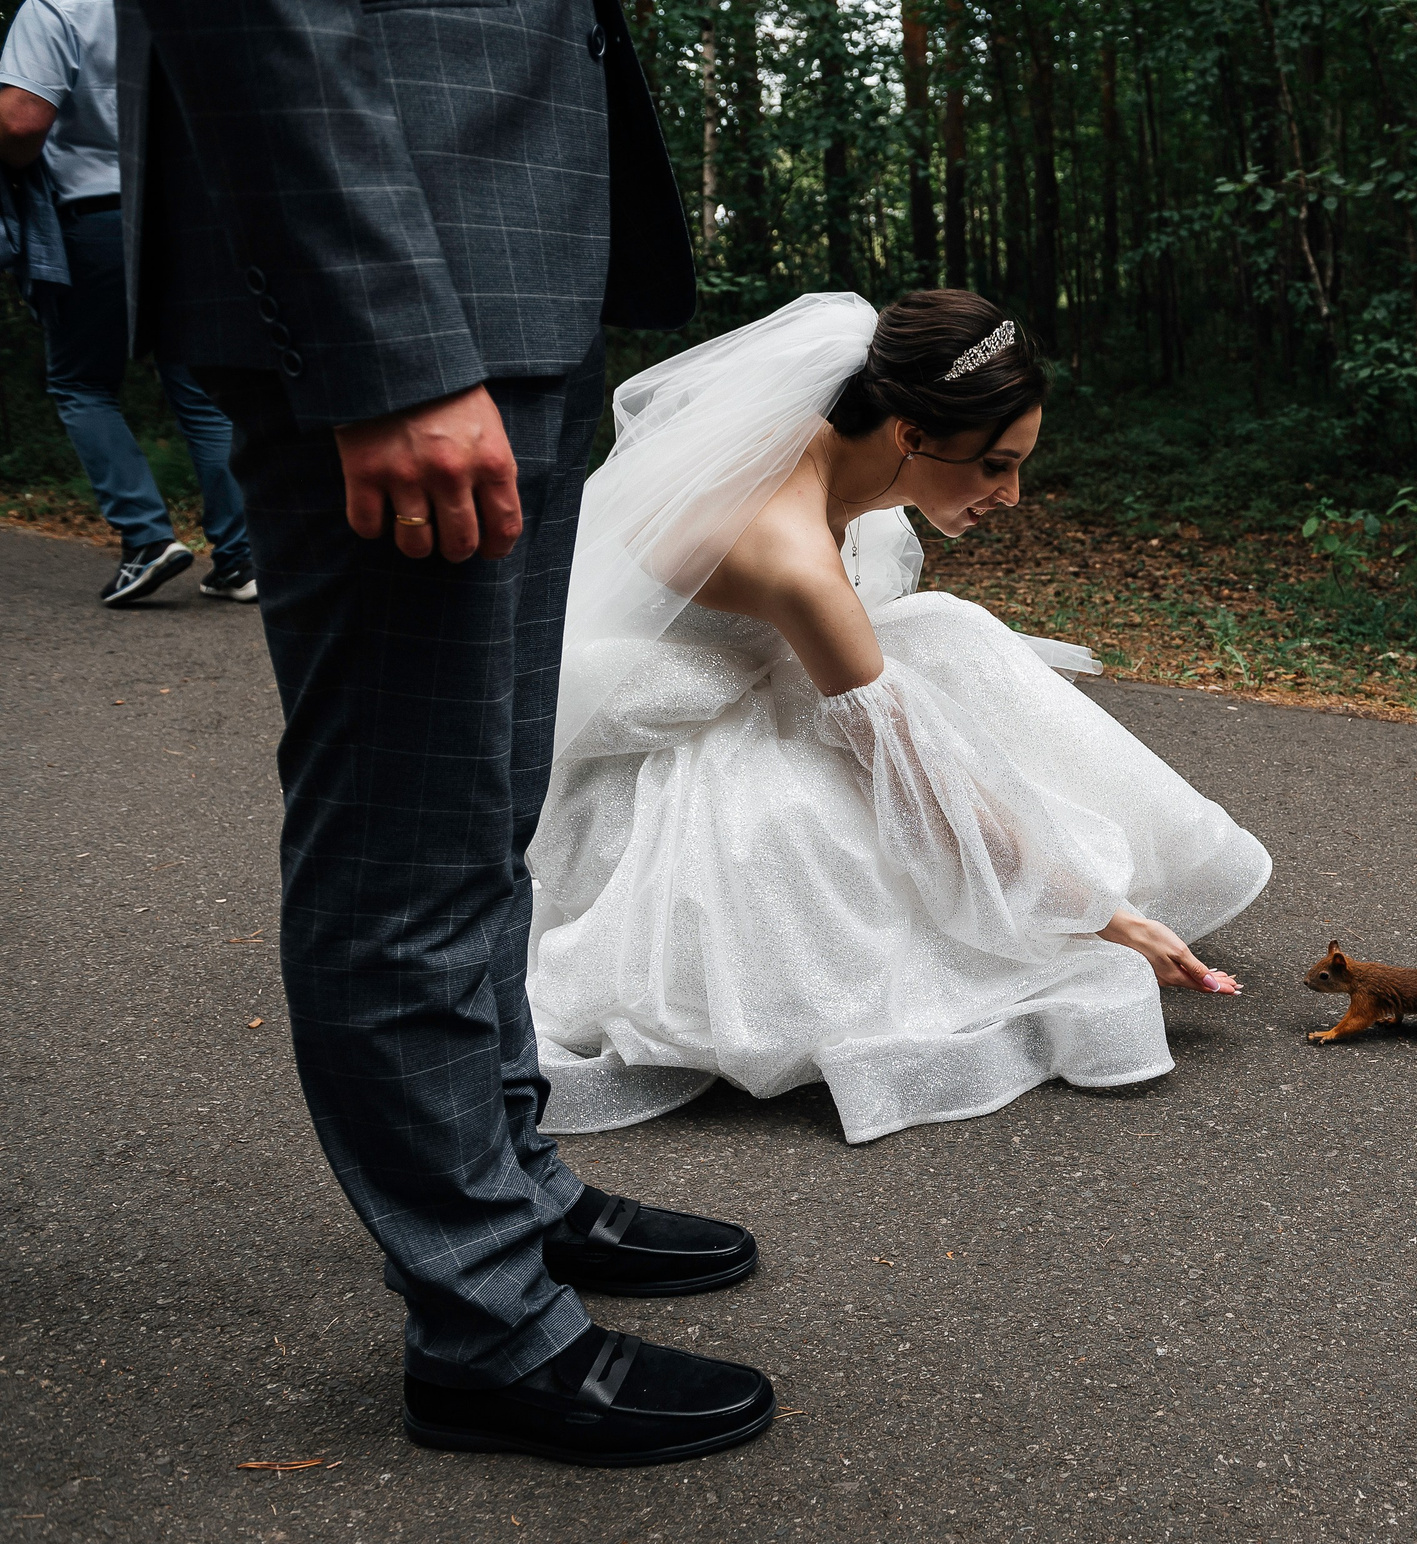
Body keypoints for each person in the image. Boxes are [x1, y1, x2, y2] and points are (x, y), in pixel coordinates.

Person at [123, 0, 779, 1469]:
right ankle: (488, 1326)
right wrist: (390, 349)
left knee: (482, 799)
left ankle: (512, 1190)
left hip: (498, 263)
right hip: (397, 294)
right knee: (403, 832)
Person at [529, 289, 1269, 1143]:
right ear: (911, 434)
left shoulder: (830, 435)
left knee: (950, 635)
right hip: (661, 764)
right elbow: (919, 776)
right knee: (817, 827)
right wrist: (1101, 913)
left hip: (775, 670)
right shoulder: (792, 556)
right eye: (995, 464)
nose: (1015, 494)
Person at [0, 0, 255, 605]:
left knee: (81, 382)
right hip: (190, 214)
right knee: (199, 387)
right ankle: (242, 559)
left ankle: (146, 539)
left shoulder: (57, 5)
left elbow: (19, 123)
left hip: (99, 218)